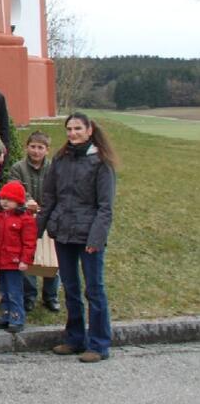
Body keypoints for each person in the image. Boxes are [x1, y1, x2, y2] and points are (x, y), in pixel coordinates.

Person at [39, 113, 117, 363]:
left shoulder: (101, 162)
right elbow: (49, 198)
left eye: (78, 128)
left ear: (89, 129)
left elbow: (105, 207)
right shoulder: (60, 159)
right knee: (71, 288)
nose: (73, 133)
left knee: (94, 290)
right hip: (63, 232)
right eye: (69, 129)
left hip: (89, 235)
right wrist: (36, 231)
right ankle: (74, 338)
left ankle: (99, 344)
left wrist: (96, 239)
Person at [10, 130, 60, 311]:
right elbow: (14, 188)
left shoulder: (54, 168)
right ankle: (29, 296)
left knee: (52, 258)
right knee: (28, 258)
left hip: (49, 218)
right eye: (33, 147)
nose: (36, 151)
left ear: (47, 150)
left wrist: (46, 207)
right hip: (25, 218)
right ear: (26, 147)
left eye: (40, 148)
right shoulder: (18, 168)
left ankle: (51, 296)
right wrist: (26, 199)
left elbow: (58, 191)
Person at [0, 180, 38, 333]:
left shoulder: (25, 219)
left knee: (14, 290)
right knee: (3, 289)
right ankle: (6, 314)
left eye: (10, 200)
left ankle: (17, 316)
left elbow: (29, 242)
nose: (5, 202)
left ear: (19, 202)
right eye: (3, 199)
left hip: (14, 261)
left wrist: (25, 260)